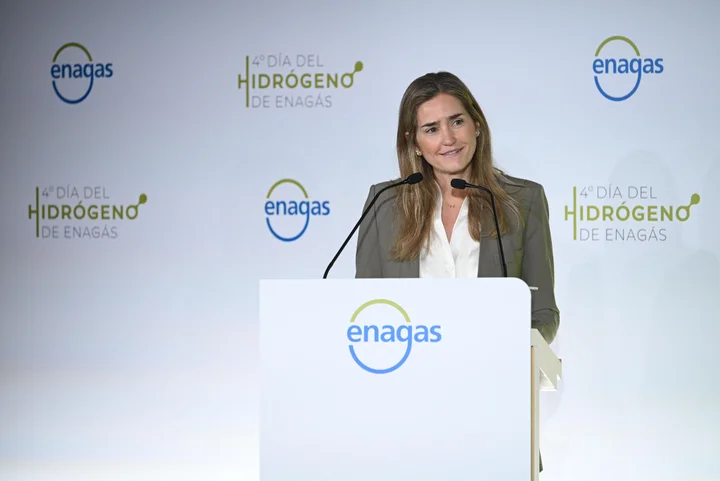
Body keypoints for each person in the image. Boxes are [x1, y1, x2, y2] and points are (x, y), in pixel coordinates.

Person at [354, 71, 559, 472]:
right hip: (406, 416)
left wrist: (505, 349)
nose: (448, 138)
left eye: (457, 121)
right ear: (414, 142)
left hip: (494, 410)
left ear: (477, 124)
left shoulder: (524, 200)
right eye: (431, 128)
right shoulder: (384, 203)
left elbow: (544, 313)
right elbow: (366, 314)